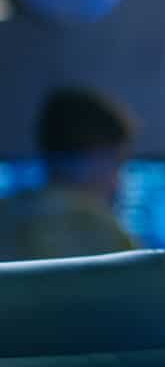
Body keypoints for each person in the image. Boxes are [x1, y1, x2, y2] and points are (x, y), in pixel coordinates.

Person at [0, 87, 137, 261]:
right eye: (118, 163)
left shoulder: (5, 214)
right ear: (96, 155)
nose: (118, 182)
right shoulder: (102, 231)